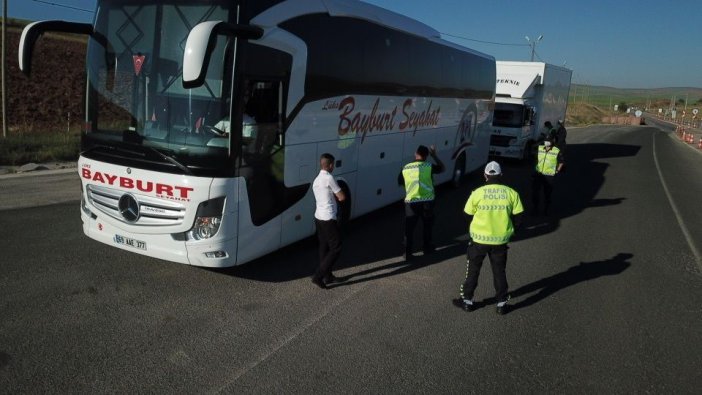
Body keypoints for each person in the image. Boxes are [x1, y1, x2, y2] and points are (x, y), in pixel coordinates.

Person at [452, 161, 524, 315]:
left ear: (485, 175)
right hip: (500, 241)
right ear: (501, 175)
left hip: (479, 240)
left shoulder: (477, 193)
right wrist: (511, 231)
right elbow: (519, 218)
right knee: (499, 271)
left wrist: (478, 224)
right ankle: (502, 303)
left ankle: (467, 301)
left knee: (473, 271)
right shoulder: (511, 193)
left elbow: (466, 215)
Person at [398, 145, 445, 260]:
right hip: (427, 202)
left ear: (416, 153)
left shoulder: (405, 168)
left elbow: (400, 182)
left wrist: (410, 189)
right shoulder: (429, 166)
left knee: (409, 229)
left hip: (411, 202)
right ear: (427, 156)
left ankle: (407, 253)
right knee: (427, 226)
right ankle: (427, 248)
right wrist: (435, 155)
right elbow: (442, 168)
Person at [311, 153, 346, 289]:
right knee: (336, 247)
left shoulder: (316, 179)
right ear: (330, 165)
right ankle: (318, 276)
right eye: (333, 164)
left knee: (324, 246)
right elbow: (341, 197)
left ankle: (328, 276)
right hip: (328, 217)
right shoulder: (329, 178)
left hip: (318, 216)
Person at [531, 138, 564, 216]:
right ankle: (535, 209)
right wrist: (540, 141)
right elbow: (533, 147)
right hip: (538, 174)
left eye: (548, 141)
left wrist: (557, 170)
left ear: (552, 142)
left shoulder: (556, 150)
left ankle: (546, 210)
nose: (546, 142)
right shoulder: (540, 148)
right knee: (535, 193)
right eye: (545, 141)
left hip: (549, 176)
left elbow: (561, 162)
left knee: (547, 194)